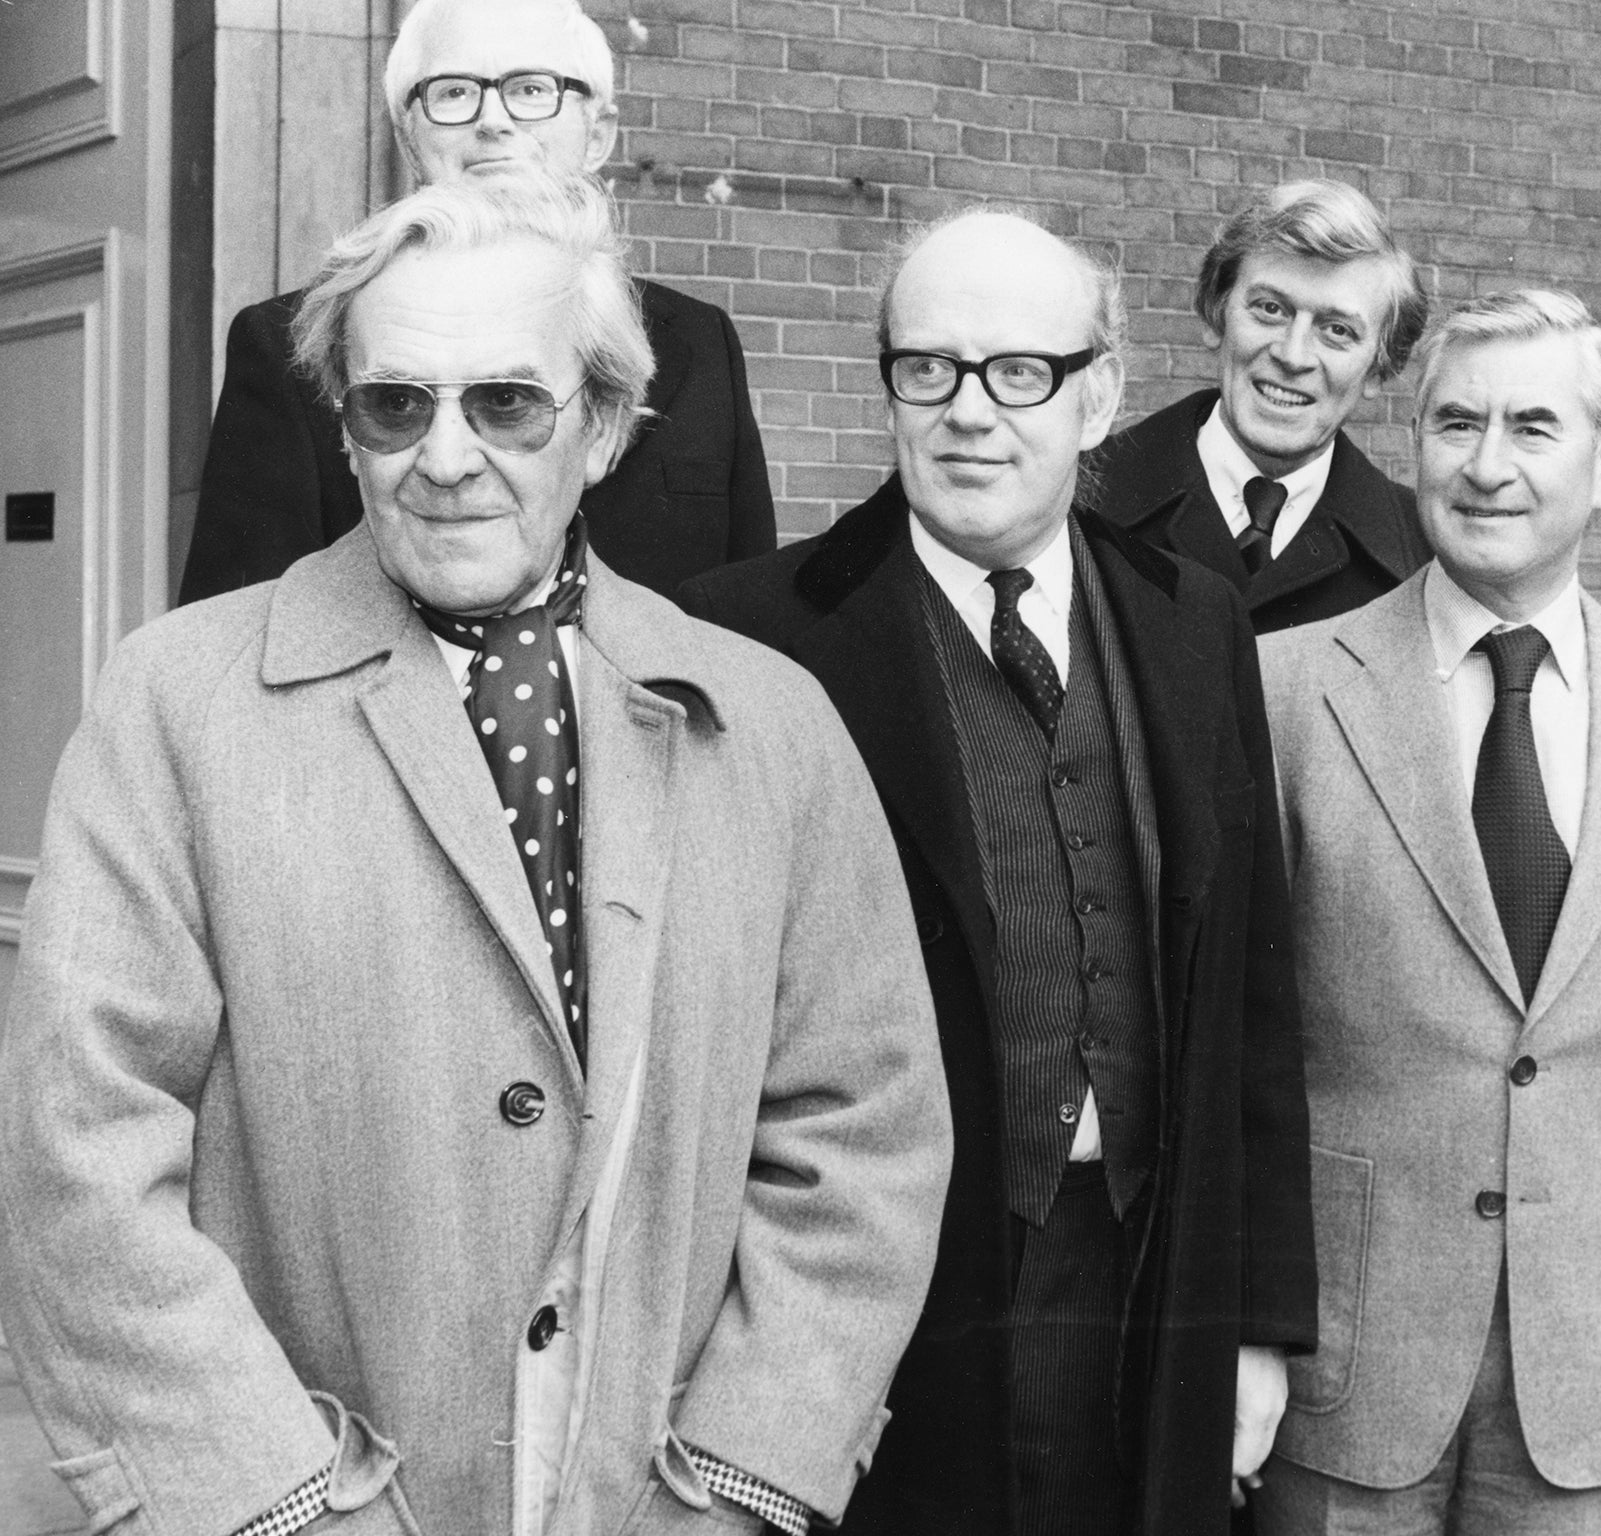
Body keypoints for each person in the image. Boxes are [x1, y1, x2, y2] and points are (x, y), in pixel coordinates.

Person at [0, 176, 949, 1536]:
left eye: (507, 402)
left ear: (604, 426)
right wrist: (282, 1503)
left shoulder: (771, 725)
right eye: (397, 404)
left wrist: (738, 1486)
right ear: (346, 423)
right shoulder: (176, 705)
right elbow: (80, 1151)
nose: (446, 457)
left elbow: (861, 1137)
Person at [680, 207, 1316, 1536]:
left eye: (1018, 372)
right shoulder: (753, 636)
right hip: (887, 1300)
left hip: (1144, 1281)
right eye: (930, 369)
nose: (970, 412)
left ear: (1100, 397)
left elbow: (1251, 995)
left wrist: (1254, 1324)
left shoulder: (1196, 621)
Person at [1257, 289, 1601, 1534]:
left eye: (1531, 427)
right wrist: (1246, 1332)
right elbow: (1238, 1063)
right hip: (1342, 1365)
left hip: (1590, 1368)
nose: (1485, 466)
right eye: (1453, 424)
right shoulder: (1283, 690)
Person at [179, 0, 774, 610]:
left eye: (533, 88)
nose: (493, 120)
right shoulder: (287, 343)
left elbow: (747, 614)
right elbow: (238, 647)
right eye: (455, 92)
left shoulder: (701, 344)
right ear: (409, 135)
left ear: (599, 134)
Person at [1090, 180, 1431, 633]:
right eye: (1270, 309)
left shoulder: (1423, 555)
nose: (1293, 356)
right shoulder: (1080, 498)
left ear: (1378, 369)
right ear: (1215, 312)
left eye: (1337, 331)